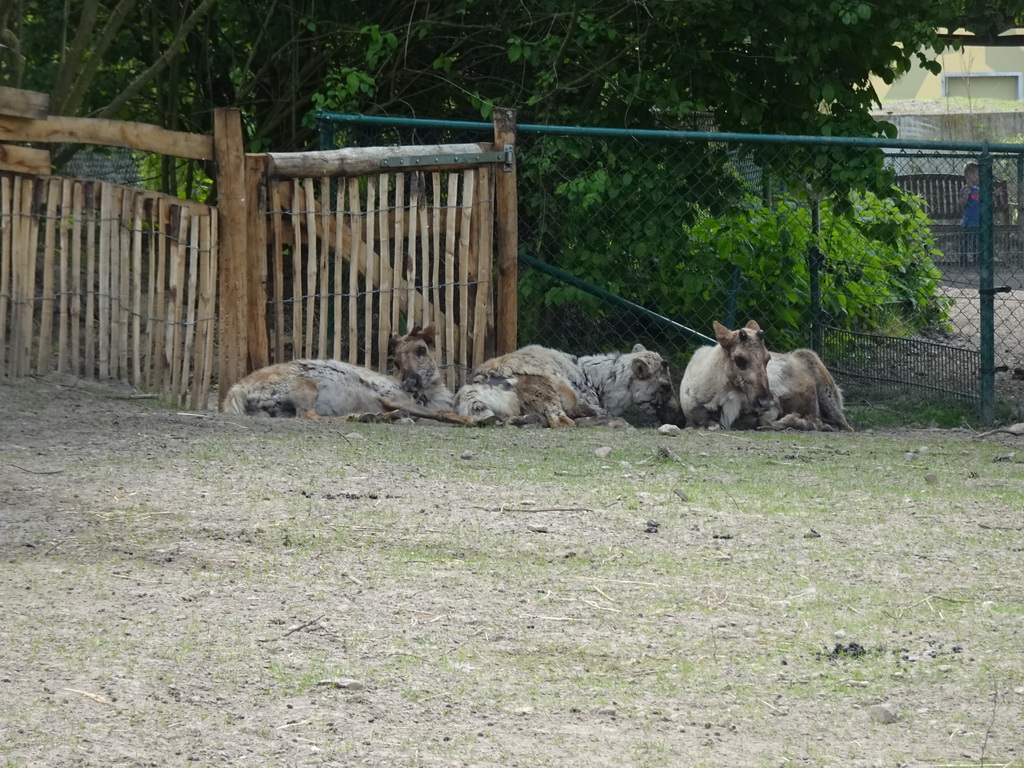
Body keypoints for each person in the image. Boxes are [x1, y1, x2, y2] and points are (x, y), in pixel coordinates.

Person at [958, 161, 980, 267]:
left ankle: (976, 259)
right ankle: (963, 259)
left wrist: (994, 194)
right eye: (977, 174)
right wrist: (966, 196)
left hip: (978, 221)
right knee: (965, 241)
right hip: (968, 221)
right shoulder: (965, 189)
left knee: (977, 242)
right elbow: (962, 203)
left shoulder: (979, 190)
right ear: (969, 175)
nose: (979, 177)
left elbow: (985, 200)